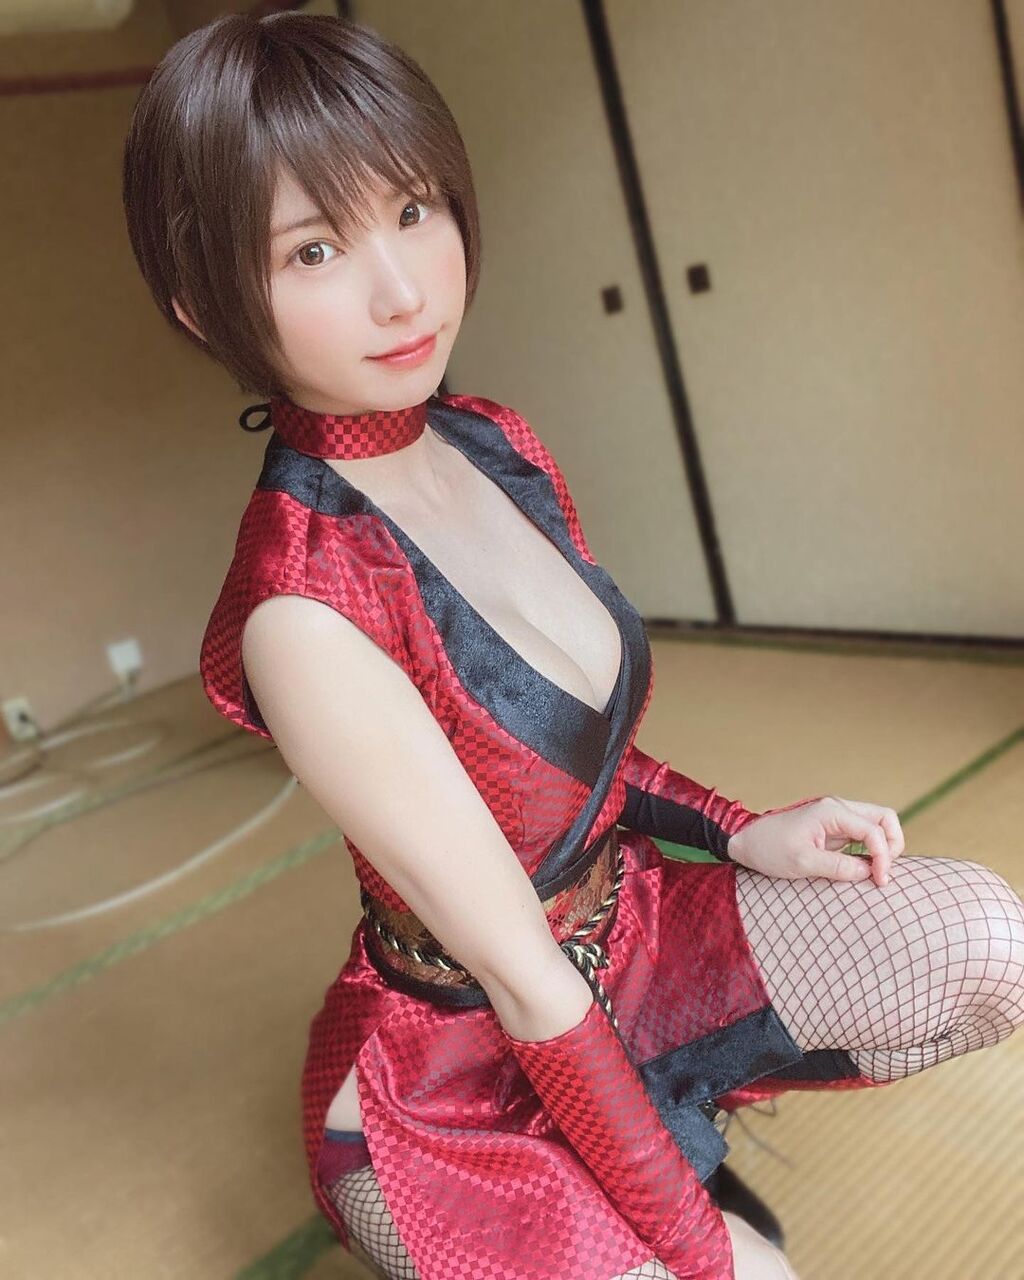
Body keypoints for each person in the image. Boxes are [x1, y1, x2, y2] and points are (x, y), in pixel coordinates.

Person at [121, 12, 1024, 1280]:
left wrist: (739, 830)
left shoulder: (492, 440)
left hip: (627, 936)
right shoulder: (302, 609)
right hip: (456, 1079)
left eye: (414, 210)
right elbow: (526, 981)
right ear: (205, 302)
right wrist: (707, 1256)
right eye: (314, 248)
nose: (401, 289)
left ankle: (661, 1136)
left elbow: (561, 773)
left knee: (982, 943)